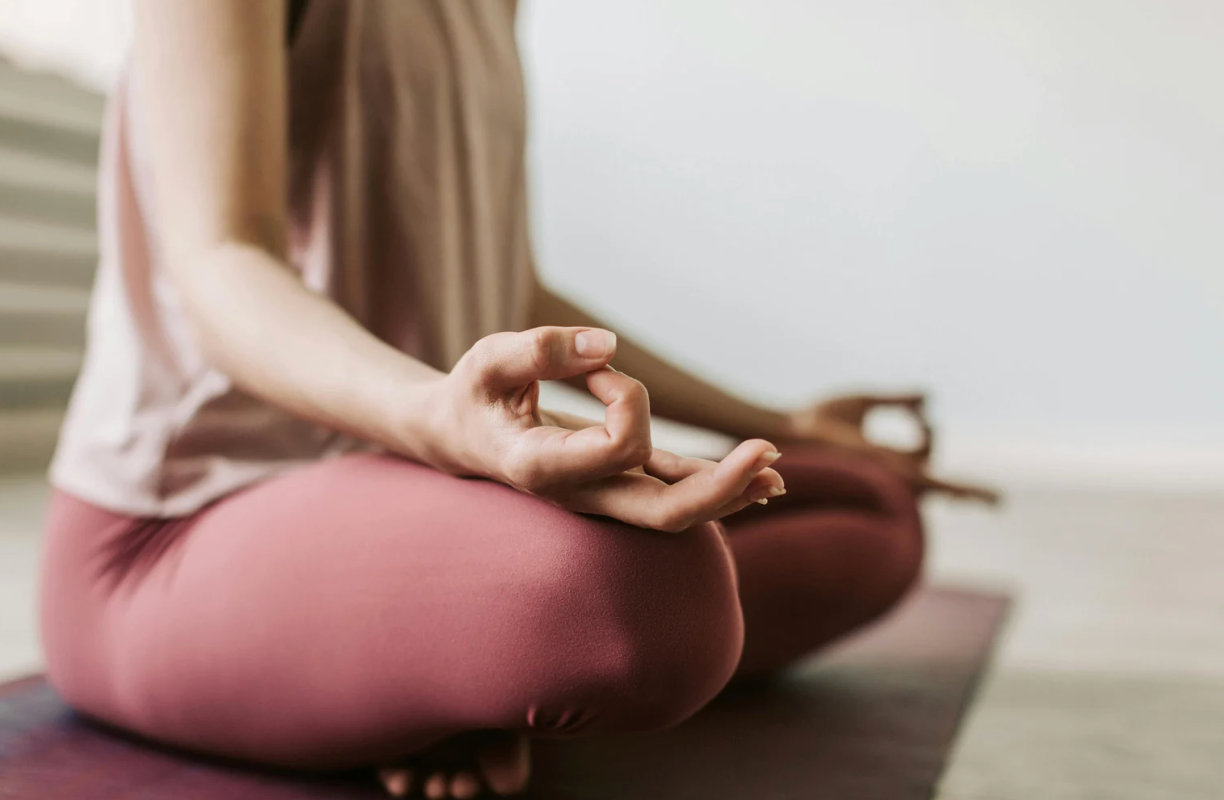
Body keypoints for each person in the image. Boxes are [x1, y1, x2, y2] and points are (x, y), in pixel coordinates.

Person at [37, 2, 996, 798]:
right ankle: (457, 653)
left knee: (870, 510)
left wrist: (779, 425)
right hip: (180, 529)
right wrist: (444, 423)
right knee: (651, 602)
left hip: (408, 481)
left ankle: (447, 656)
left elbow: (511, 288)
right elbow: (219, 265)